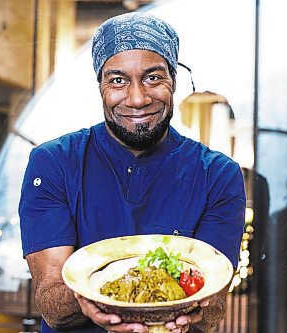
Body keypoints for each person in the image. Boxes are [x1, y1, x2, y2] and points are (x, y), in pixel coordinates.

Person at [18, 12, 245, 333]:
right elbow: (53, 306)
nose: (137, 98)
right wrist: (100, 299)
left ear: (174, 82)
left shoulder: (218, 174)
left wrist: (188, 310)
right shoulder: (54, 162)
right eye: (118, 80)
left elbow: (212, 312)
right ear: (100, 86)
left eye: (153, 77)